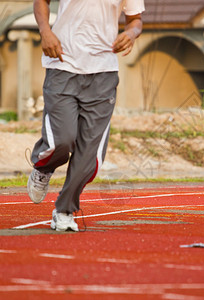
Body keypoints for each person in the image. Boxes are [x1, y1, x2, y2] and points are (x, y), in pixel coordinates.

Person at [28, 0, 145, 231]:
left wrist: (131, 34)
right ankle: (43, 167)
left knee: (89, 155)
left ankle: (65, 210)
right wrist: (45, 31)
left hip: (104, 73)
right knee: (62, 140)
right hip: (63, 64)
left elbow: (136, 20)